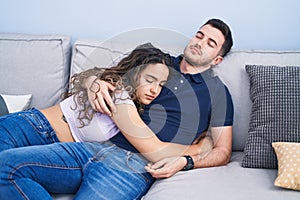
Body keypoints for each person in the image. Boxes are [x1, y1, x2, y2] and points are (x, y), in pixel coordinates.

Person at [0, 18, 233, 199]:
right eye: (199, 35)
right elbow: (106, 76)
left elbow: (222, 150)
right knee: (5, 167)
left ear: (217, 60)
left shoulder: (218, 93)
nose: (199, 43)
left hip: (131, 166)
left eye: (210, 43)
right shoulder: (158, 61)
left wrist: (186, 161)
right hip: (90, 146)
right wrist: (94, 82)